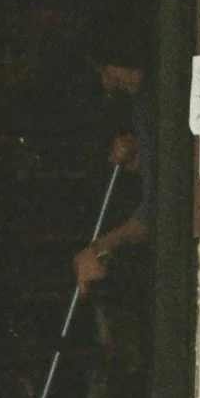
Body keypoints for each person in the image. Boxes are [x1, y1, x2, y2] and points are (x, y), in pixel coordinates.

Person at [73, 56, 153, 291]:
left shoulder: (147, 102)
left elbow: (154, 211)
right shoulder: (140, 104)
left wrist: (98, 249)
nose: (106, 83)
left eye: (103, 72)